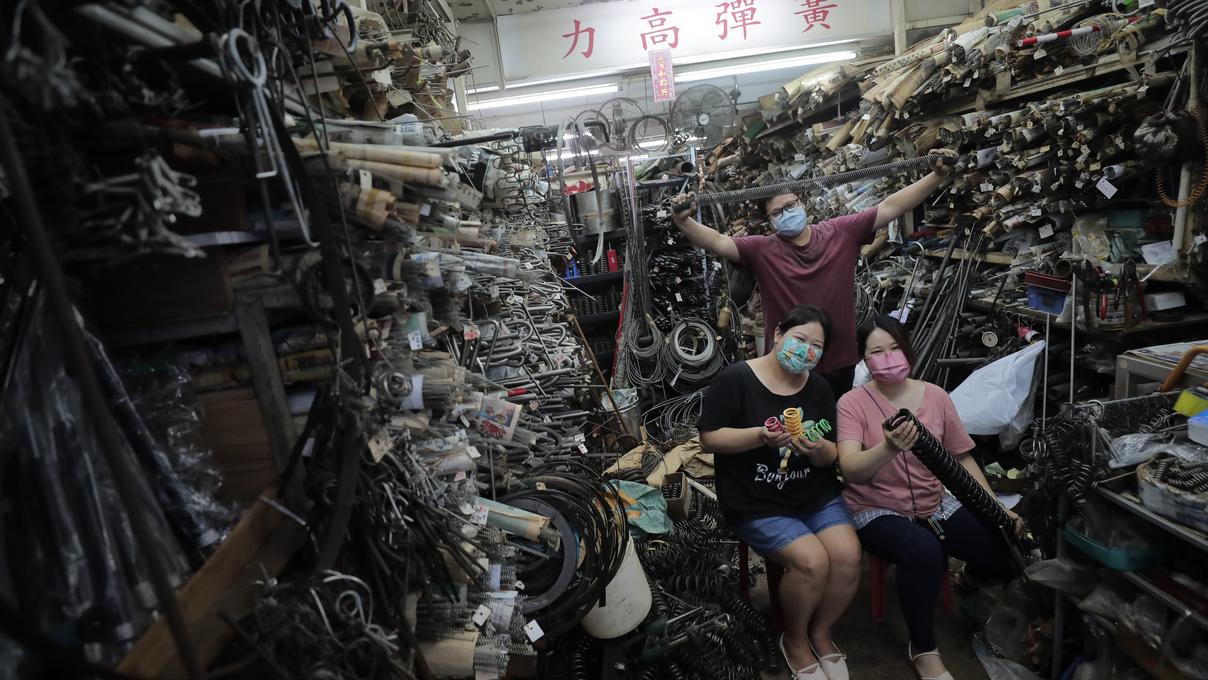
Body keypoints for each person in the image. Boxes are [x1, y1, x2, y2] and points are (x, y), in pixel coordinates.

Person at [671, 151, 954, 396]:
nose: (787, 213)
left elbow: (890, 206)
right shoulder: (762, 249)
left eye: (791, 205)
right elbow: (719, 242)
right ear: (770, 220)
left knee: (835, 434)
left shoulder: (840, 232)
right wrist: (683, 222)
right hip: (788, 362)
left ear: (802, 203)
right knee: (791, 437)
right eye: (778, 212)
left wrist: (936, 177)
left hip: (839, 360)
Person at [835, 315, 1022, 680]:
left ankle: (970, 575)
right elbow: (851, 469)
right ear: (864, 359)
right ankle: (923, 648)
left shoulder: (936, 397)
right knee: (924, 551)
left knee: (1007, 547)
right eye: (877, 351)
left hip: (935, 501)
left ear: (908, 349)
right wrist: (888, 447)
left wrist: (997, 509)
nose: (889, 358)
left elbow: (962, 456)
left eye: (895, 348)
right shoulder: (851, 403)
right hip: (876, 508)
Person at [697, 305, 859, 680]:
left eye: (816, 347)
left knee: (848, 556)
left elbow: (831, 453)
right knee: (812, 561)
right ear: (777, 334)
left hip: (813, 493)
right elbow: (708, 440)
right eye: (800, 339)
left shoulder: (818, 387)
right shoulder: (736, 379)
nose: (806, 351)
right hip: (756, 499)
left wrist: (819, 450)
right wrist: (759, 436)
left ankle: (821, 632)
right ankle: (796, 638)